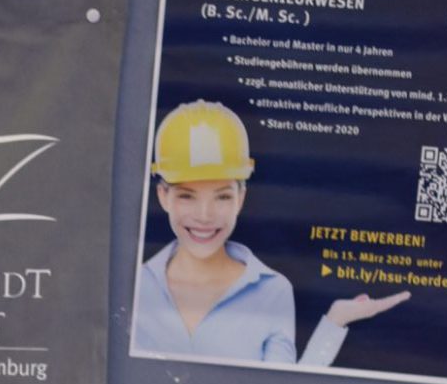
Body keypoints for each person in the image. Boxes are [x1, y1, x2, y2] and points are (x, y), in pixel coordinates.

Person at [132, 100, 409, 367]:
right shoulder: (135, 285)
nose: (204, 215)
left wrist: (335, 321)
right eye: (187, 196)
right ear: (163, 196)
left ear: (241, 198)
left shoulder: (272, 291)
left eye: (222, 197)